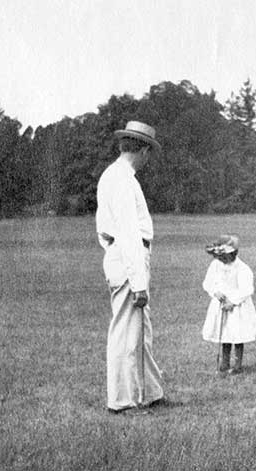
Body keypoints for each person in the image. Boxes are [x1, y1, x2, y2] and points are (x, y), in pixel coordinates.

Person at [95, 121, 165, 414]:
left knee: (140, 331)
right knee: (126, 333)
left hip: (122, 256)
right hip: (127, 259)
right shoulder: (122, 180)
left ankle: (150, 393)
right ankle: (122, 402)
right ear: (144, 149)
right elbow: (127, 232)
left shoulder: (116, 175)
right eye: (150, 154)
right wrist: (138, 283)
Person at [201, 235, 256, 374]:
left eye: (224, 256)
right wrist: (215, 292)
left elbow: (246, 289)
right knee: (225, 333)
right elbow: (208, 282)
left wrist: (232, 302)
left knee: (237, 334)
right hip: (221, 304)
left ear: (233, 254)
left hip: (237, 306)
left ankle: (238, 365)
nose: (221, 259)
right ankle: (224, 363)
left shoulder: (242, 268)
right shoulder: (215, 265)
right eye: (219, 257)